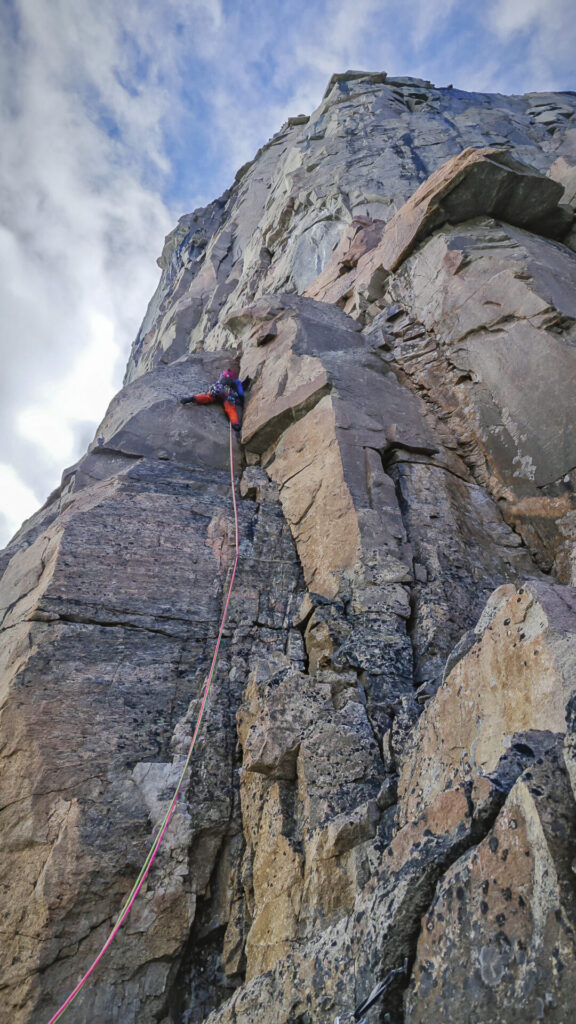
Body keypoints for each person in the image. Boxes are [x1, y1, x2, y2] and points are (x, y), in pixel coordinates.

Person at [180, 369, 246, 432]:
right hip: (227, 395)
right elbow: (240, 393)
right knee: (230, 408)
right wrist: (242, 402)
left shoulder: (222, 374)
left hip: (216, 391)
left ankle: (194, 398)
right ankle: (235, 423)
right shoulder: (237, 381)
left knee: (207, 397)